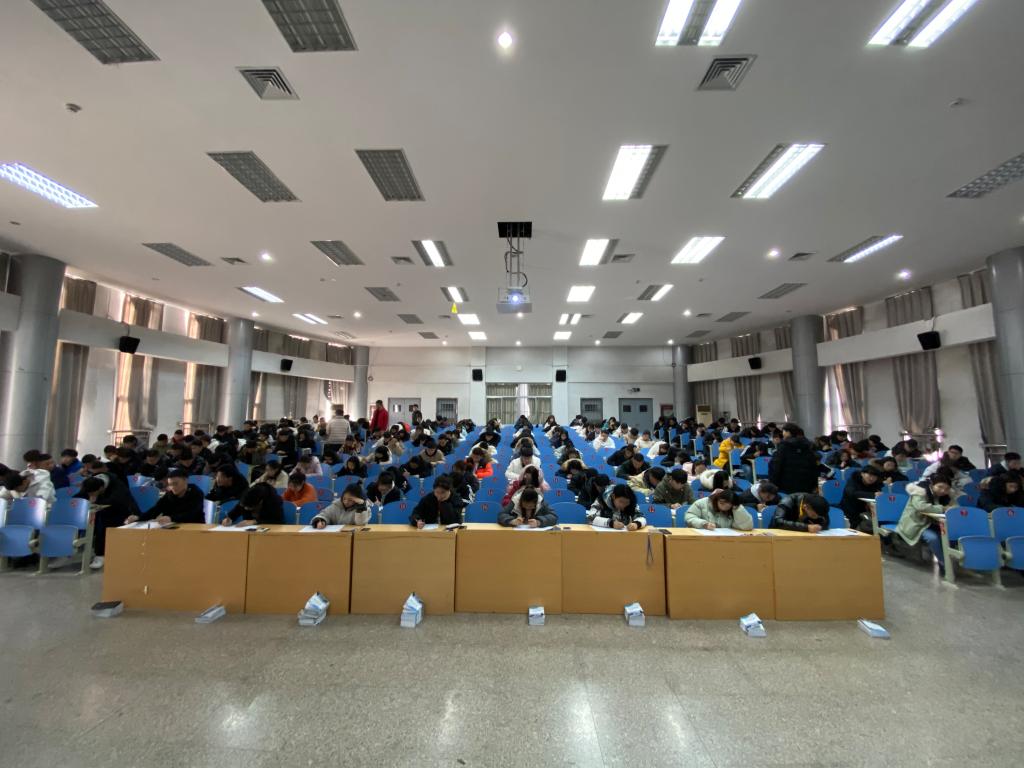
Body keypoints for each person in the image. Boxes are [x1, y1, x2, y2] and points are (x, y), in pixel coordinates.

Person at [74, 471, 141, 570]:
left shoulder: (117, 485)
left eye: (93, 493)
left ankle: (100, 555)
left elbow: (116, 502)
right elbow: (80, 496)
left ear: (101, 488)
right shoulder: (91, 483)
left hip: (123, 511)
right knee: (93, 519)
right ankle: (97, 551)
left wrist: (95, 500)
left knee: (102, 522)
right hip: (102, 511)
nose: (90, 494)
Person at [894, 477, 958, 574]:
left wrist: (952, 507)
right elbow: (921, 507)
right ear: (932, 485)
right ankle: (944, 563)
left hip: (930, 523)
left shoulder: (945, 496)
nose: (943, 491)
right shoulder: (919, 492)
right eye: (940, 487)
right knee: (933, 538)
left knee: (949, 535)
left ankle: (947, 560)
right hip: (915, 524)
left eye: (946, 489)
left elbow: (954, 507)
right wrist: (943, 508)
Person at [125, 469, 205, 525]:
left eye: (175, 484)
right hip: (173, 528)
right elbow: (156, 509)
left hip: (194, 527)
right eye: (170, 484)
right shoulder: (170, 495)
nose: (173, 487)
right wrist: (138, 518)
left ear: (185, 480)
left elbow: (191, 514)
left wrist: (171, 518)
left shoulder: (196, 493)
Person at [768, 423, 821, 494]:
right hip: (806, 485)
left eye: (783, 431)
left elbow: (775, 466)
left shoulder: (784, 446)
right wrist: (814, 485)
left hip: (786, 486)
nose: (783, 434)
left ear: (788, 432)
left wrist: (773, 484)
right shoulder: (807, 446)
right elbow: (814, 466)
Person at [840, 464, 885, 531]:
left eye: (874, 476)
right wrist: (873, 494)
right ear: (862, 474)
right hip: (851, 509)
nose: (872, 478)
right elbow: (853, 493)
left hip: (866, 511)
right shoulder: (853, 481)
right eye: (870, 475)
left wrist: (879, 495)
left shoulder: (876, 484)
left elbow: (878, 494)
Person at [685, 489, 753, 531]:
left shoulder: (734, 509)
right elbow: (689, 516)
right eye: (721, 503)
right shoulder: (702, 503)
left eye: (727, 506)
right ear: (717, 499)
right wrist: (704, 524)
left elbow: (747, 526)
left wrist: (738, 509)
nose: (723, 507)